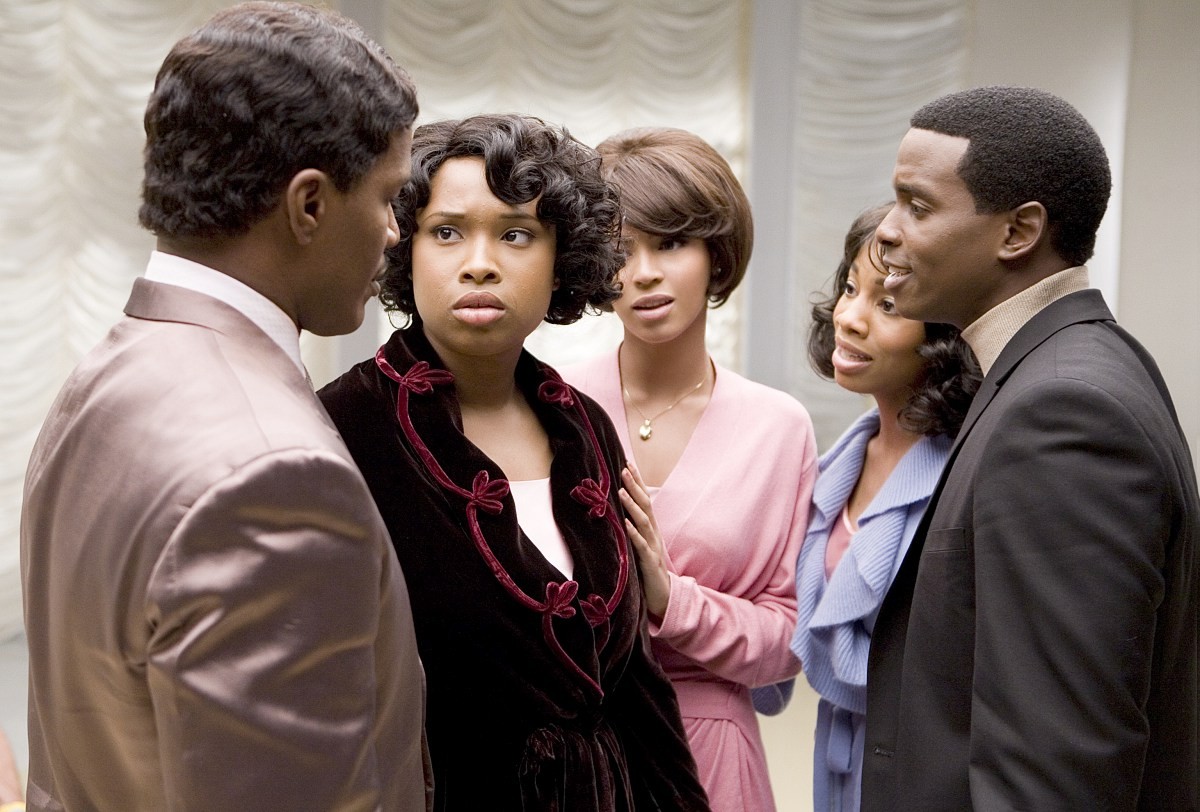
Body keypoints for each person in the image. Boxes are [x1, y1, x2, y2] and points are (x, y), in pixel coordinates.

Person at [20, 4, 430, 809]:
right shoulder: (277, 477)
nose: (392, 232)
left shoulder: (105, 375)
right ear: (309, 205)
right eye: (387, 197)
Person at [317, 114, 710, 811]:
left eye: (516, 234)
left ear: (562, 261)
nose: (480, 263)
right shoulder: (344, 428)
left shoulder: (587, 427)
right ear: (404, 247)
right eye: (446, 232)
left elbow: (638, 691)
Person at [861, 86, 1199, 810]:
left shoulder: (1064, 414)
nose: (885, 232)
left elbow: (1055, 767)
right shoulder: (1064, 370)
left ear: (1018, 232)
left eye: (917, 206)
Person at [561, 127, 817, 811]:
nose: (644, 272)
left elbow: (789, 640)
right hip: (577, 753)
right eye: (620, 249)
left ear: (715, 255)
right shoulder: (554, 401)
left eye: (670, 244)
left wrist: (672, 599)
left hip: (713, 757)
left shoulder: (777, 427)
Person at [786, 203, 979, 812]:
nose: (849, 318)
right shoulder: (832, 470)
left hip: (923, 772)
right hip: (839, 759)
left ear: (943, 339)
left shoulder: (962, 480)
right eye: (850, 289)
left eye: (888, 305)